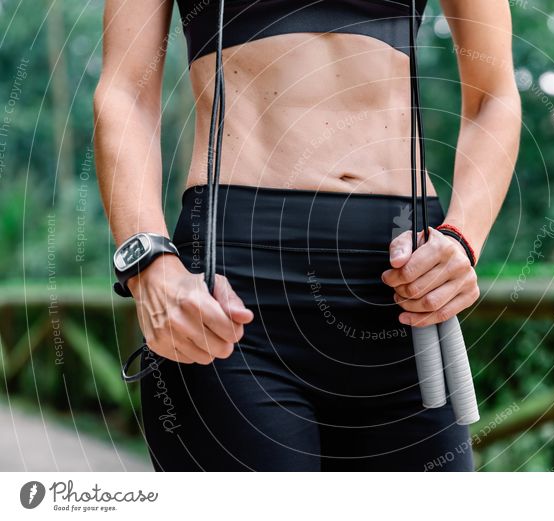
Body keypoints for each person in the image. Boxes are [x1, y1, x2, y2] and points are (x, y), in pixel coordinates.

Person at [93, 0, 520, 471]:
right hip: (230, 296)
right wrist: (148, 263)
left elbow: (493, 95)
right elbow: (124, 94)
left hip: (408, 292)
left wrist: (462, 237)